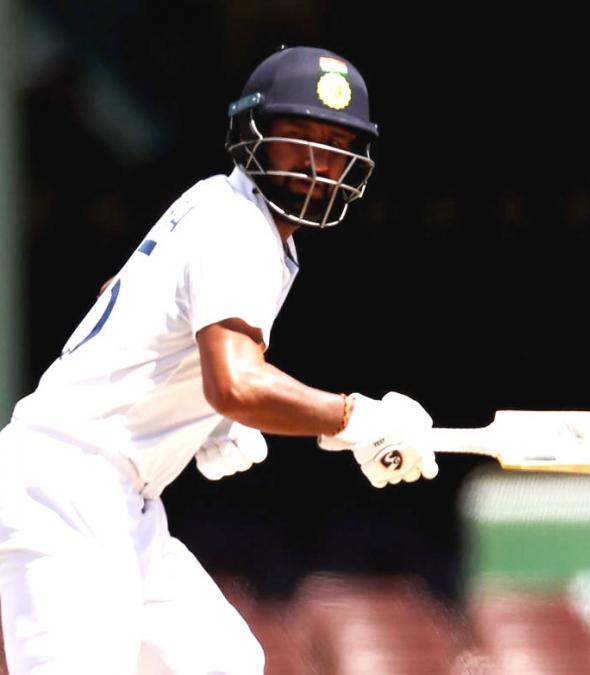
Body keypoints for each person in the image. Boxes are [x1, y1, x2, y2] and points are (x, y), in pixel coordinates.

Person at [0, 45, 440, 673]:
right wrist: (354, 417)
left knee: (223, 660)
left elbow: (123, 297)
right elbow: (236, 383)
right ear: (253, 134)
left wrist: (206, 414)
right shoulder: (238, 225)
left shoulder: (218, 206)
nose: (318, 165)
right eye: (299, 137)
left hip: (123, 499)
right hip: (66, 489)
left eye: (336, 146)